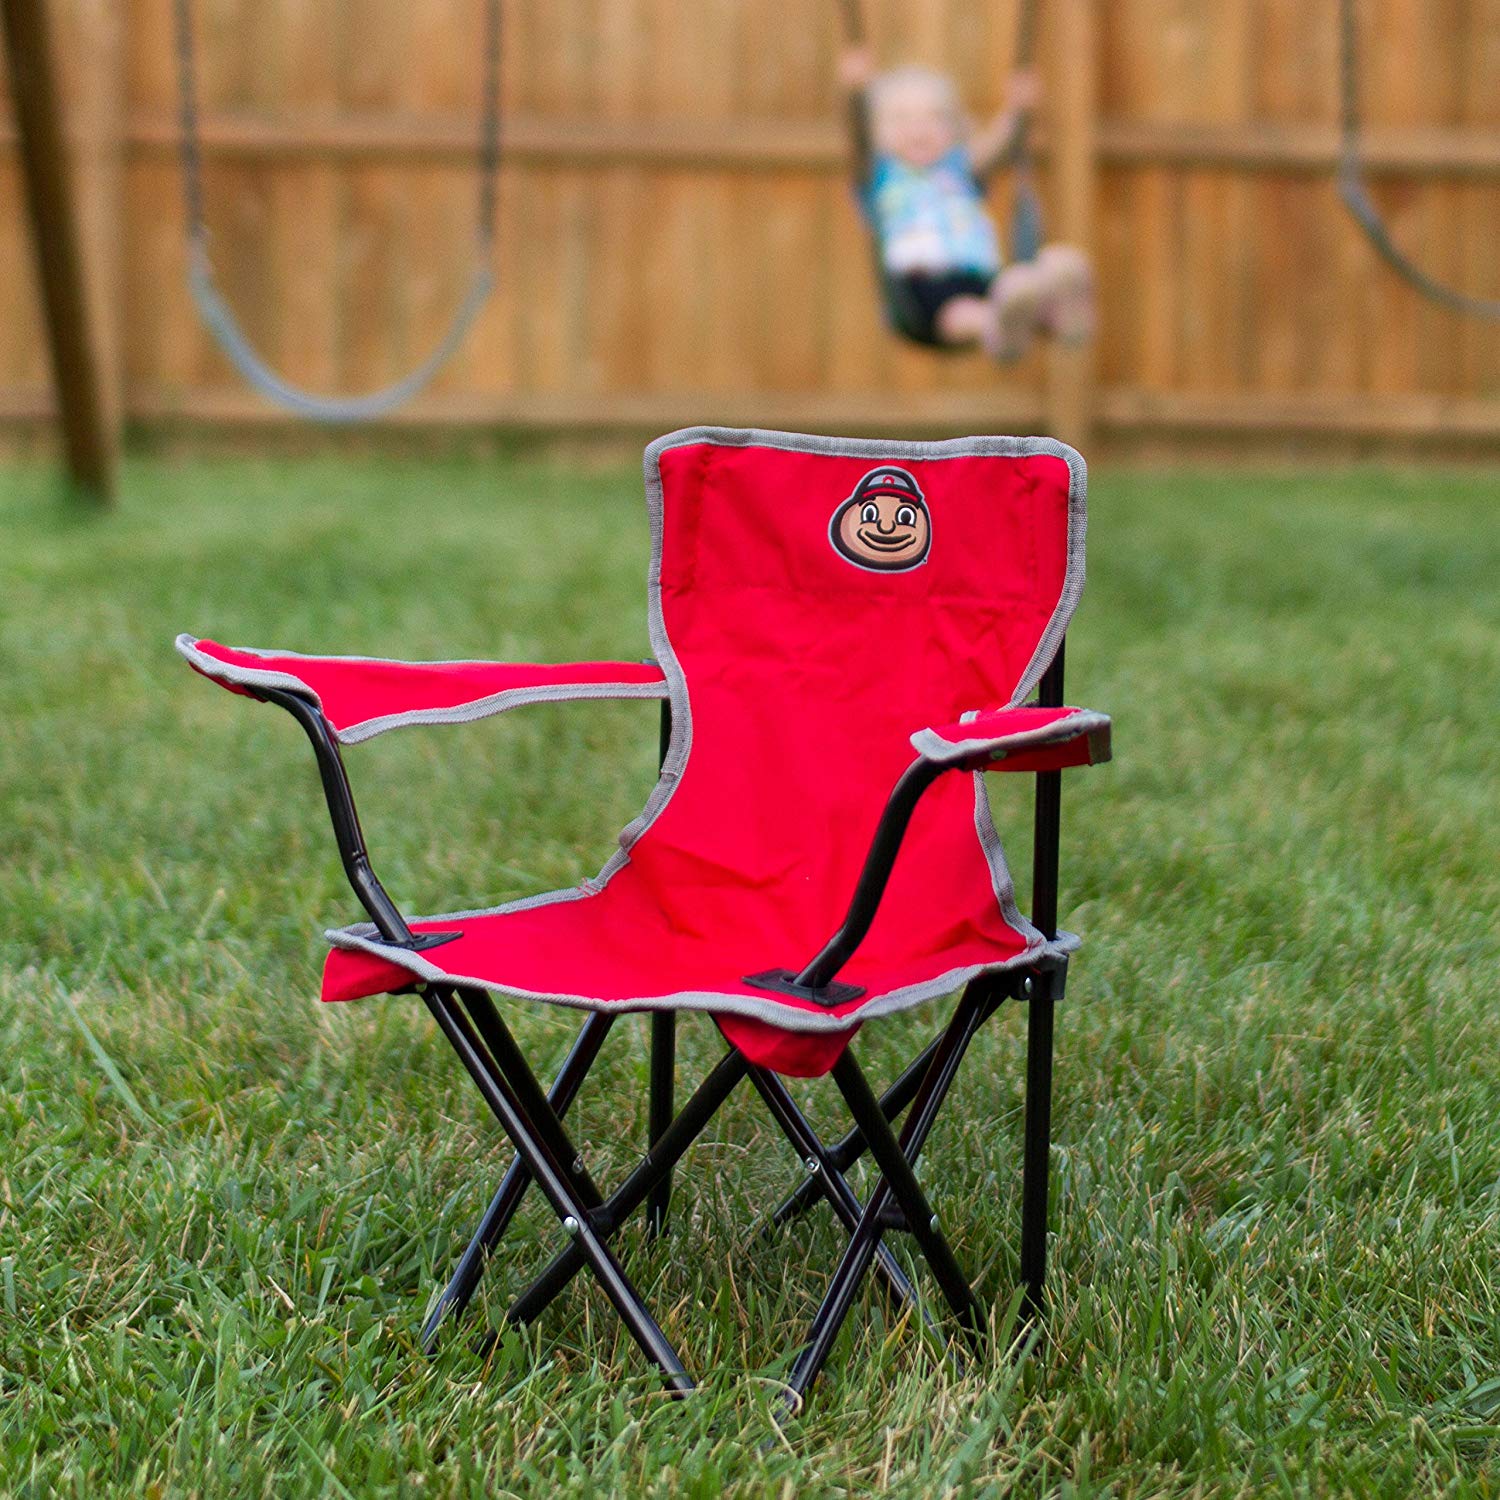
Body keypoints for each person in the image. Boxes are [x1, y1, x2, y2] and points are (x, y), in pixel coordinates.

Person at [839, 47, 1095, 360]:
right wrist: (854, 95)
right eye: (902, 118)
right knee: (963, 311)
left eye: (934, 117)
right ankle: (1001, 324)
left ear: (954, 127)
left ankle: (1059, 306)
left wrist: (1018, 112)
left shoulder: (961, 167)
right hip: (920, 288)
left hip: (986, 276)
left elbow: (1001, 146)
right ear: (877, 130)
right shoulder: (879, 175)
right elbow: (857, 135)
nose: (919, 129)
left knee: (1014, 292)